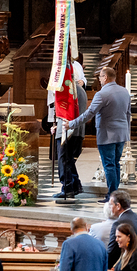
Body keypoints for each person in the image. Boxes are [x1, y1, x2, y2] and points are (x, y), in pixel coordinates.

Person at [64, 66, 132, 202]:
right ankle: (115, 194)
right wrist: (127, 132)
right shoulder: (124, 91)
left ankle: (112, 196)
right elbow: (128, 114)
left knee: (109, 165)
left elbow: (89, 114)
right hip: (121, 134)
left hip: (107, 135)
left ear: (105, 77)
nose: (99, 79)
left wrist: (71, 124)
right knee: (115, 163)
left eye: (100, 77)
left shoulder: (101, 94)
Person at [49, 58, 88, 201]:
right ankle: (76, 185)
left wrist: (60, 127)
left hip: (67, 130)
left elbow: (67, 113)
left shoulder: (67, 91)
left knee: (64, 160)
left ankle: (67, 189)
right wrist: (57, 125)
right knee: (69, 159)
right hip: (77, 130)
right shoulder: (80, 90)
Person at [107, 190, 137, 268]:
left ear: (118, 206)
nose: (109, 207)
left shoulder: (119, 223)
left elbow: (112, 252)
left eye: (110, 205)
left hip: (128, 269)